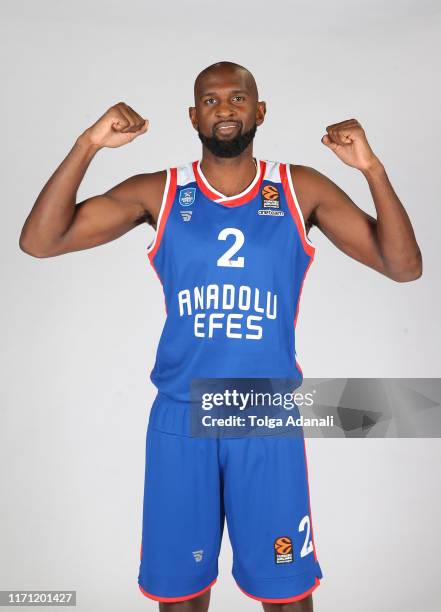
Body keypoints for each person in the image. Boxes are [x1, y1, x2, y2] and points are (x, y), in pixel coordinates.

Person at [19, 61, 422, 612]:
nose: (224, 108)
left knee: (286, 597)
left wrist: (370, 168)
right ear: (193, 116)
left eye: (237, 98)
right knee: (181, 598)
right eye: (210, 100)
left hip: (264, 417)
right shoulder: (159, 192)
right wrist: (88, 144)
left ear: (259, 111)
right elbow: (41, 241)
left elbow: (402, 265)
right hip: (182, 417)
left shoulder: (298, 187)